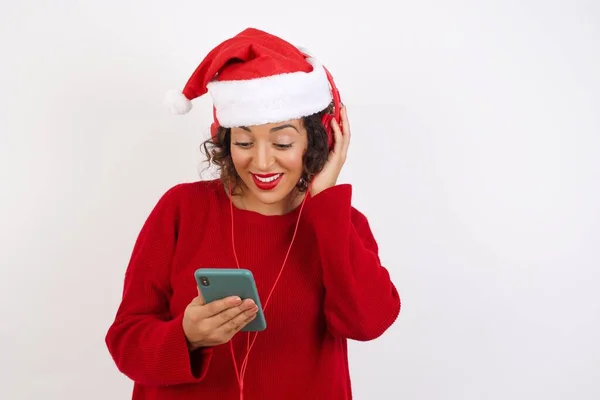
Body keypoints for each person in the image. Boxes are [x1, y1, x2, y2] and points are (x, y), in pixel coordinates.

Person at [105, 27, 401, 400]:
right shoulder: (181, 209)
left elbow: (368, 322)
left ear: (319, 139)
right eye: (244, 142)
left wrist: (325, 199)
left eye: (282, 142)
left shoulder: (339, 221)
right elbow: (125, 341)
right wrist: (186, 336)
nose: (261, 162)